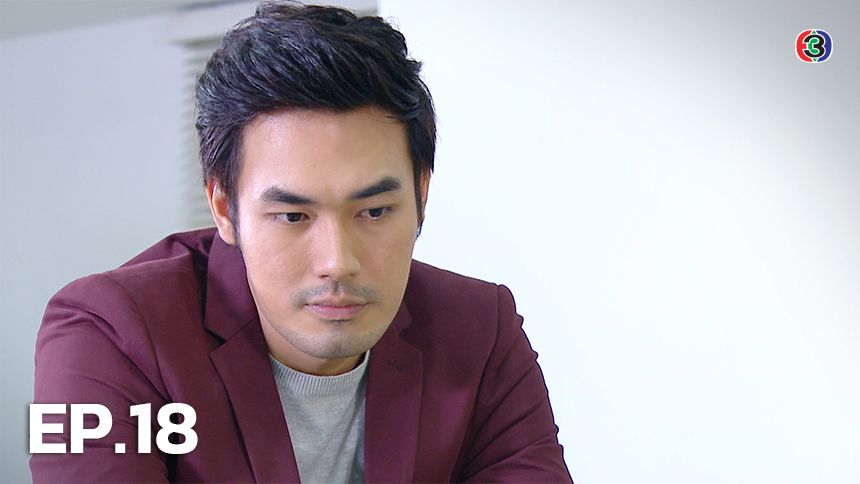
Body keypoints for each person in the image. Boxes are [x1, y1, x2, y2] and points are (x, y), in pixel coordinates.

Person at [30, 2, 572, 482]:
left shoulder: (480, 328)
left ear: (421, 195)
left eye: (375, 211)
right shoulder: (107, 330)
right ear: (225, 208)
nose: (338, 262)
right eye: (292, 216)